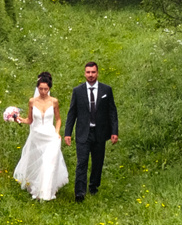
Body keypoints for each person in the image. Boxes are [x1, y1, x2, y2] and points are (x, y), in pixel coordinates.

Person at [62, 60, 118, 201]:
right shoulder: (78, 91)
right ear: (84, 73)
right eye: (88, 72)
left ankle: (93, 186)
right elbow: (72, 113)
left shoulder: (106, 90)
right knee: (82, 162)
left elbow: (112, 112)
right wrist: (68, 133)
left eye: (93, 72)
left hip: (100, 132)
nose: (91, 75)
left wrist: (114, 131)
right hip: (83, 133)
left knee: (97, 162)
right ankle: (79, 192)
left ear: (97, 73)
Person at [12, 71, 69, 202]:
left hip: (51, 136)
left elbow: (58, 119)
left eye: (46, 89)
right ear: (37, 88)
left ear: (49, 88)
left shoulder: (54, 101)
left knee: (49, 162)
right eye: (41, 89)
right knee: (39, 162)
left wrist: (57, 132)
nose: (43, 92)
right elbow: (30, 120)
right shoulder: (32, 101)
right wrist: (19, 119)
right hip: (37, 135)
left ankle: (46, 192)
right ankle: (38, 188)